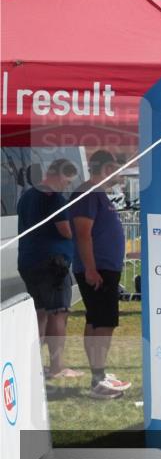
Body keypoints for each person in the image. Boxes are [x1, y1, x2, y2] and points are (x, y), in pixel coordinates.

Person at [67, 150, 132, 399]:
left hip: (102, 268)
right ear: (106, 167)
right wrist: (91, 268)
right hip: (98, 269)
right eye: (116, 167)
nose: (119, 173)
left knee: (96, 321)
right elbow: (83, 234)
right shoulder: (88, 193)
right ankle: (99, 379)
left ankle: (99, 374)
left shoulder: (97, 194)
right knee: (103, 322)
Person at [16, 159, 83, 380]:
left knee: (41, 313)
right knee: (58, 313)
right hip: (52, 265)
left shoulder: (27, 195)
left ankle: (33, 364)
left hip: (29, 261)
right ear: (56, 174)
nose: (66, 186)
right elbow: (65, 230)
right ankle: (57, 367)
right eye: (66, 180)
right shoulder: (53, 197)